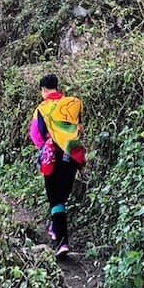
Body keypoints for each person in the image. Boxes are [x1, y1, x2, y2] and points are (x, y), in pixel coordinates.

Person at [29, 73, 85, 258]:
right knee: (61, 197)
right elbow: (79, 130)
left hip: (52, 156)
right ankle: (55, 227)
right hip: (71, 154)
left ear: (43, 90)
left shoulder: (42, 108)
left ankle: (62, 242)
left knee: (56, 199)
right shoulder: (69, 105)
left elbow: (36, 135)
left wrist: (45, 146)